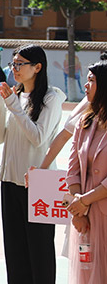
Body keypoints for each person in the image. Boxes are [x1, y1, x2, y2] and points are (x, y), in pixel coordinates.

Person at [0, 44, 65, 284]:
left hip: (40, 183)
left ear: (38, 67)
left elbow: (38, 137)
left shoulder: (51, 97)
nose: (15, 69)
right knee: (15, 250)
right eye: (13, 64)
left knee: (40, 251)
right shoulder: (15, 95)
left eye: (20, 64)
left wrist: (12, 104)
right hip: (10, 179)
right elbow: (0, 137)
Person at [65, 61, 107, 283]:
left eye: (92, 80)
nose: (86, 86)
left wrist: (83, 201)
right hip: (85, 216)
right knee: (86, 273)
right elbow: (73, 169)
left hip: (97, 207)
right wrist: (78, 212)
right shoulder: (85, 121)